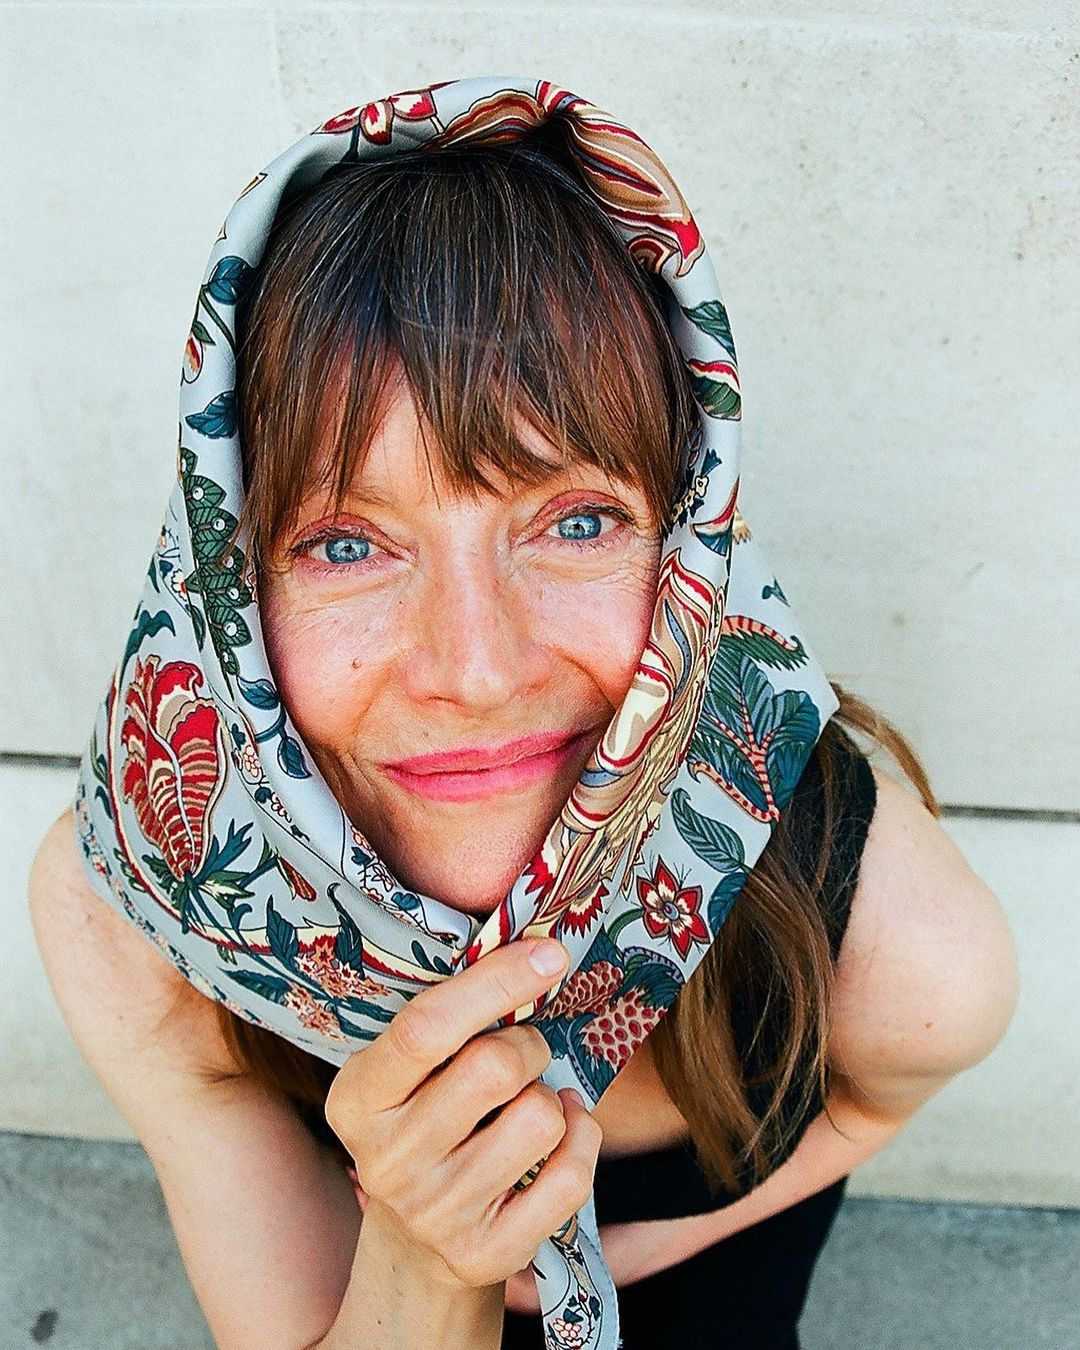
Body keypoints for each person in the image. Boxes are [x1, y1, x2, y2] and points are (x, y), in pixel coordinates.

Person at [28, 87, 1019, 1350]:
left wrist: (626, 1251)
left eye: (578, 521)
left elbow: (871, 1109)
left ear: (692, 549)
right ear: (223, 591)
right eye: (345, 543)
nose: (479, 669)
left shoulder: (900, 952)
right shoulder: (140, 924)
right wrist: (424, 1260)